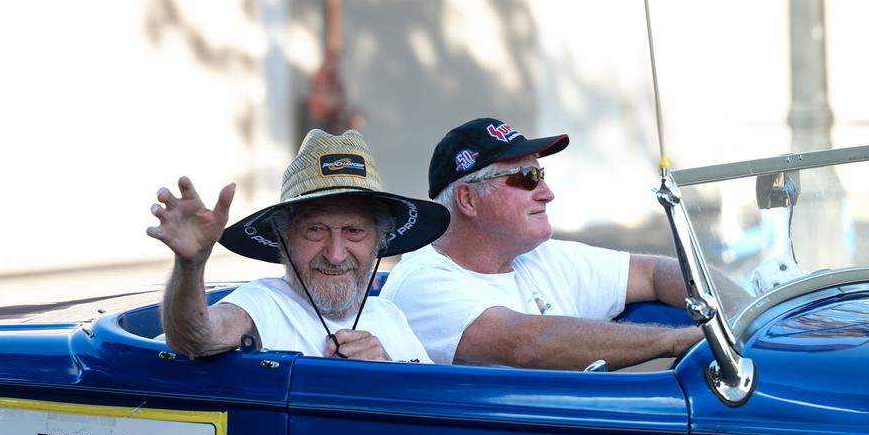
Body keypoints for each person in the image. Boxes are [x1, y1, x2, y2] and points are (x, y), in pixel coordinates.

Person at [380, 117, 705, 370]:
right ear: (468, 199)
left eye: (542, 174)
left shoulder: (536, 256)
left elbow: (654, 272)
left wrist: (744, 321)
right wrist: (674, 340)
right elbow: (526, 344)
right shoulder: (422, 280)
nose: (547, 192)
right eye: (526, 177)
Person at [149, 129, 450, 361]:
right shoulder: (264, 304)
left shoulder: (390, 316)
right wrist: (191, 265)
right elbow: (195, 337)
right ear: (283, 239)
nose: (335, 254)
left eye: (354, 231)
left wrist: (386, 369)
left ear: (380, 241)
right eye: (315, 230)